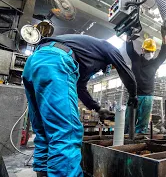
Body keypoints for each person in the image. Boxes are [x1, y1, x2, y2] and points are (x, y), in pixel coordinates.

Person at [22, 34, 137, 177]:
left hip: (35, 61)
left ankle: (43, 173)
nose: (105, 70)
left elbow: (80, 88)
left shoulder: (85, 59)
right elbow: (125, 70)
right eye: (110, 67)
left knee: (44, 131)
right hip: (56, 61)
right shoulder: (108, 47)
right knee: (66, 132)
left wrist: (98, 108)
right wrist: (133, 95)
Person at [124, 26, 166, 134]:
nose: (150, 53)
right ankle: (125, 140)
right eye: (148, 51)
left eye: (152, 51)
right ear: (142, 50)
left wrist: (164, 37)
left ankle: (138, 142)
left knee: (143, 125)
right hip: (134, 95)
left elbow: (164, 53)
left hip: (148, 97)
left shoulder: (155, 63)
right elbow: (129, 48)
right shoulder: (136, 59)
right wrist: (128, 35)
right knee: (128, 123)